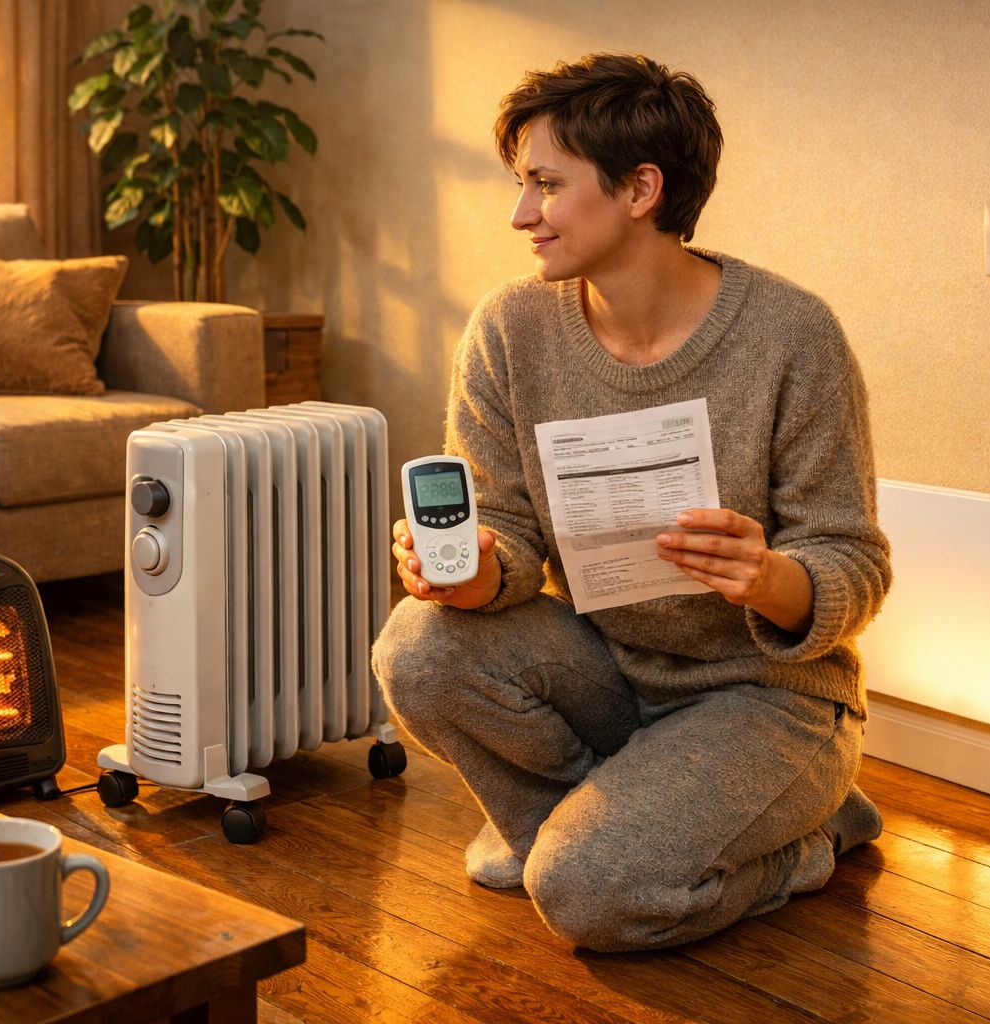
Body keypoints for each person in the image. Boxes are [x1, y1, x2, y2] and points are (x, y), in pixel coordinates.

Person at [371, 52, 892, 952]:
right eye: (520, 183)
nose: (520, 213)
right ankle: (590, 829)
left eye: (545, 184)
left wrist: (769, 578)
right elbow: (505, 528)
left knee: (589, 897)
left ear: (641, 188)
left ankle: (807, 840)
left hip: (769, 697)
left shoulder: (791, 333)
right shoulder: (510, 329)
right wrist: (475, 570)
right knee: (415, 647)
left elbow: (854, 558)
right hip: (607, 671)